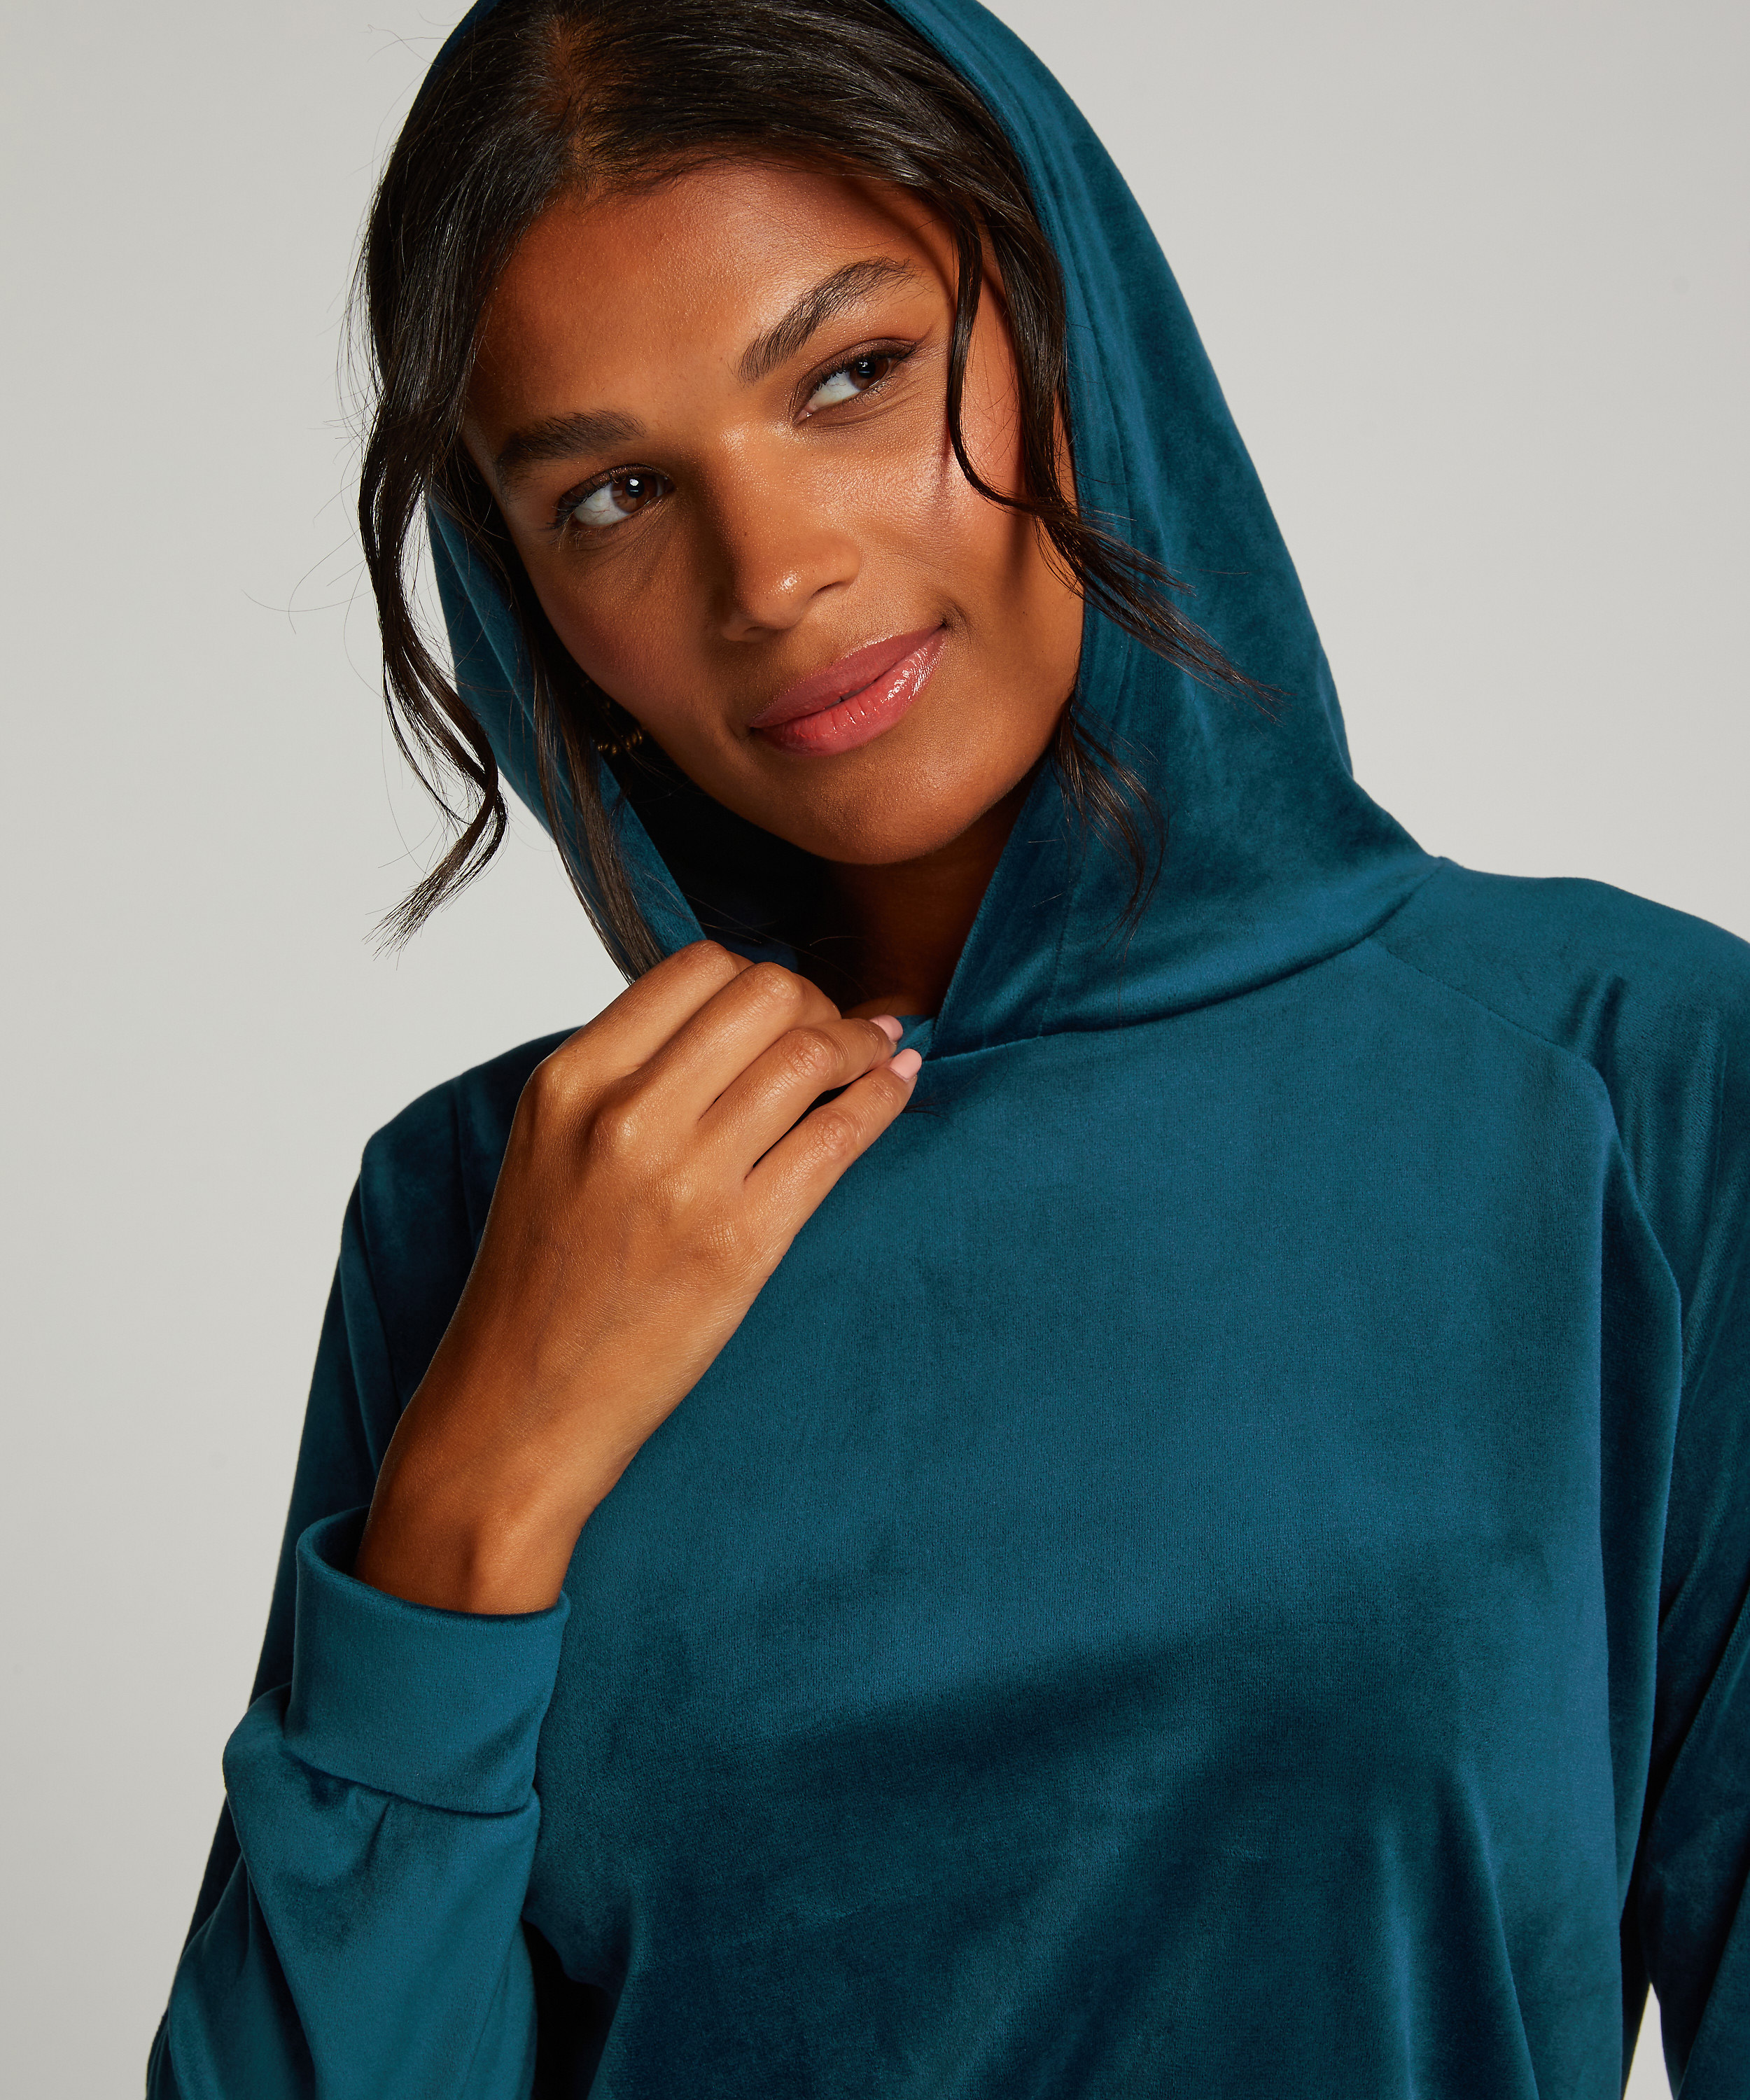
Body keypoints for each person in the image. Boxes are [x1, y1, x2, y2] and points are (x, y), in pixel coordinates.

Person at [148, 0, 1749, 2094]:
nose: (774, 572)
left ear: (1072, 327)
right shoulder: (493, 1207)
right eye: (616, 493)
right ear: (531, 604)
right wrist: (468, 1503)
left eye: (850, 376)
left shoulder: (1628, 1084)